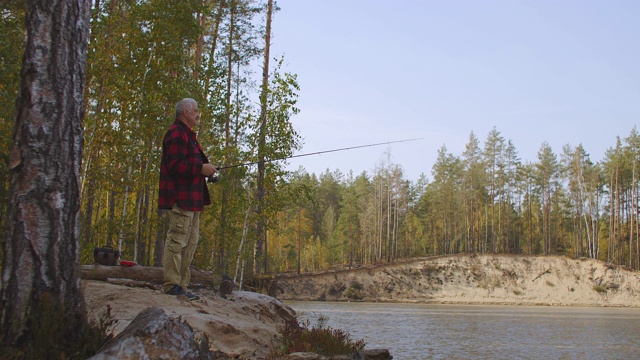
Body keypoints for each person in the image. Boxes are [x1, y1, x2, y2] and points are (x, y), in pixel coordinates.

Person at [158, 98, 217, 300]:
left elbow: (189, 165)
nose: (198, 114)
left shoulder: (189, 136)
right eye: (195, 111)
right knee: (176, 241)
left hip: (194, 200)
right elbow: (175, 165)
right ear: (185, 112)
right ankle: (171, 285)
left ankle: (182, 286)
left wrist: (206, 171)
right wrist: (201, 168)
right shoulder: (176, 133)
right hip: (181, 199)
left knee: (190, 244)